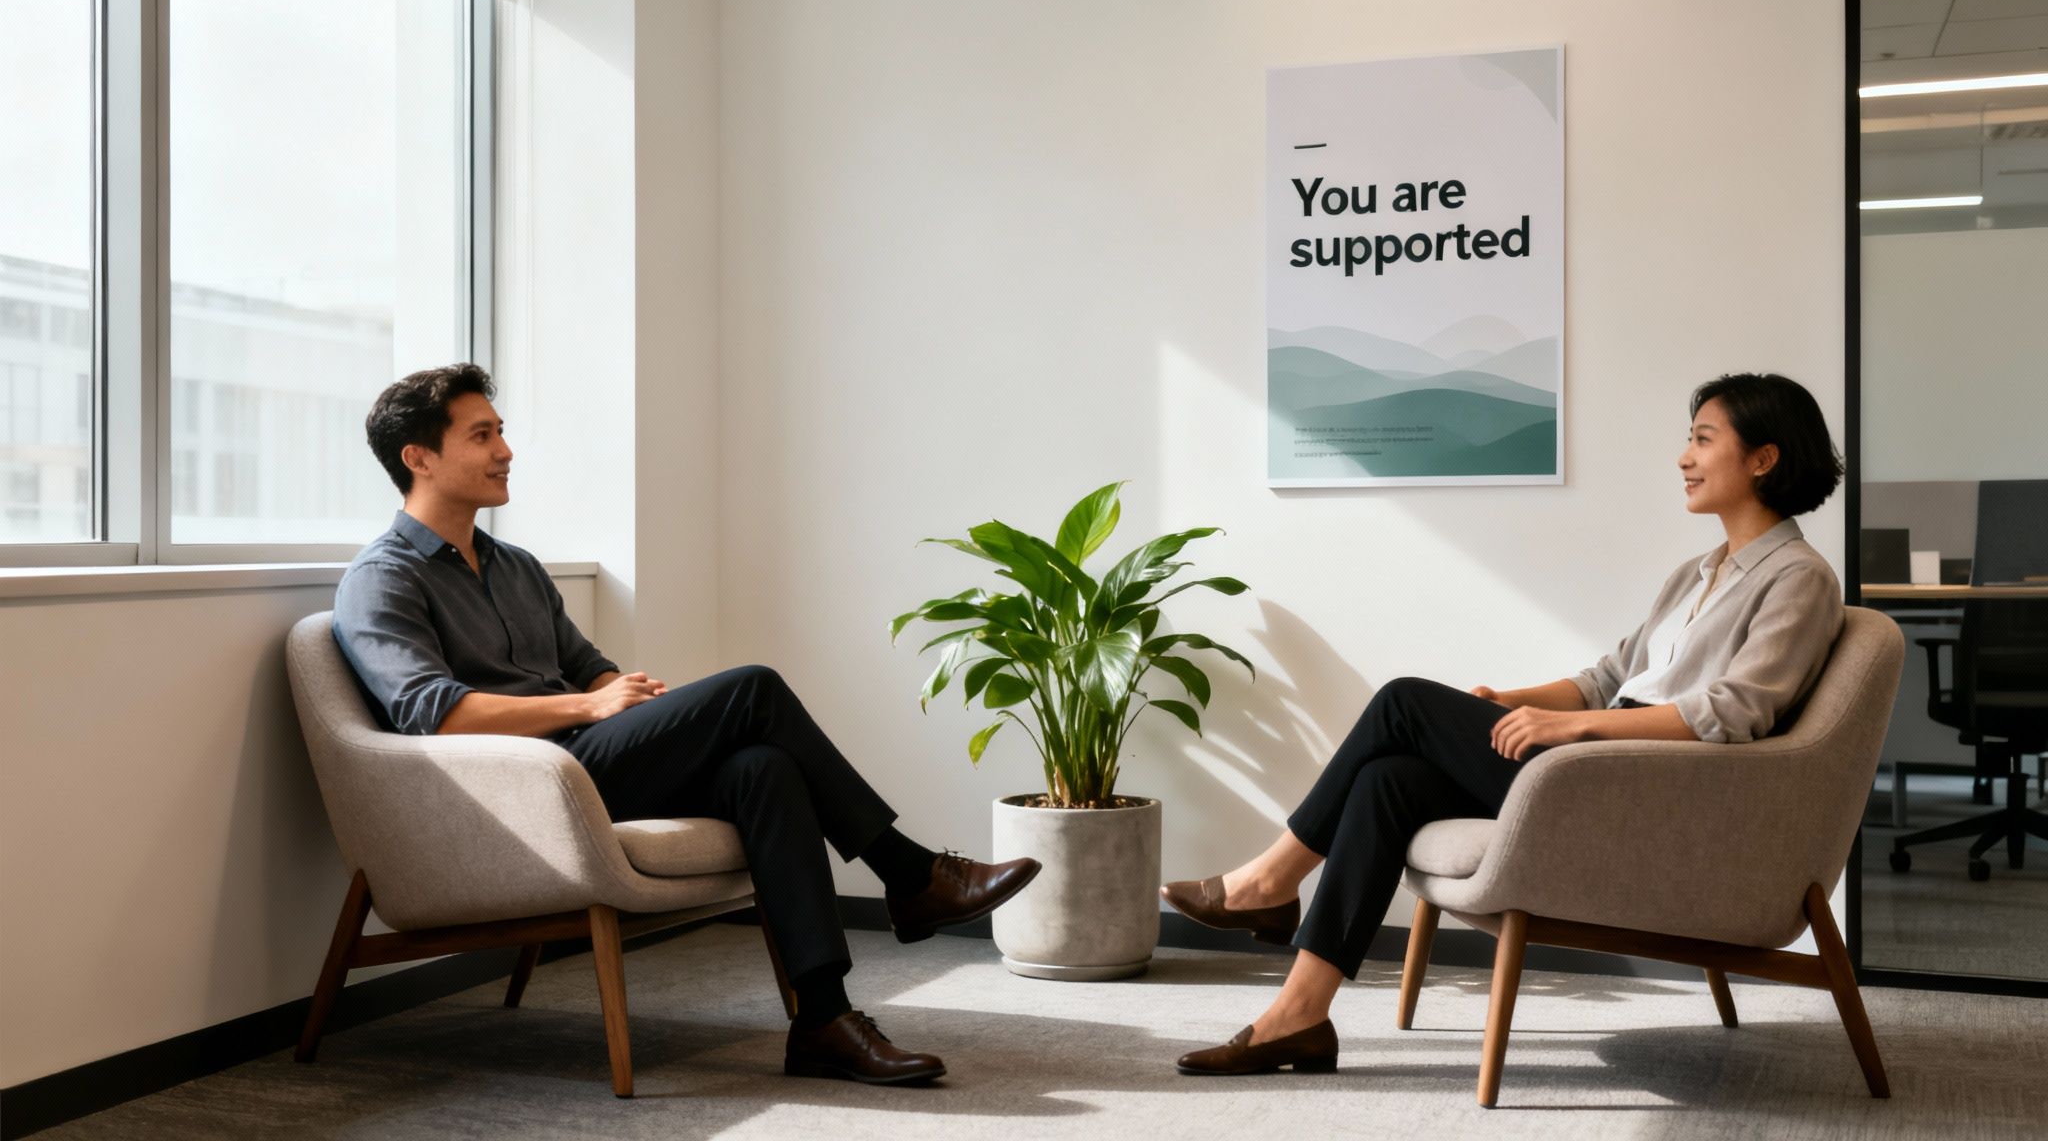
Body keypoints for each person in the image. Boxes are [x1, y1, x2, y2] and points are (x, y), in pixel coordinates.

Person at [332, 363, 1040, 1086]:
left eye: (501, 431)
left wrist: (629, 697)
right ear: (418, 458)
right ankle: (909, 872)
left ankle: (824, 1019)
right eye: (482, 435)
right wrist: (589, 707)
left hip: (589, 765)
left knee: (764, 767)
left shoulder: (517, 568)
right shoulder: (383, 578)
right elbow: (433, 715)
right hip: (524, 792)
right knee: (753, 689)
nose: (505, 450)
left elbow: (588, 665)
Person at [1164, 372, 1846, 1076]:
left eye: (1703, 440)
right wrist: (1511, 700)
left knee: (1402, 701)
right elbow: (1605, 681)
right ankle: (1299, 1016)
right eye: (1689, 439)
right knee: (1389, 779)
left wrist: (1573, 732)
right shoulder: (1696, 573)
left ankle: (1266, 884)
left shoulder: (1799, 578)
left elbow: (1734, 713)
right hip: (1600, 762)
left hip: (1648, 787)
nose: (1684, 457)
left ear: (1763, 458)